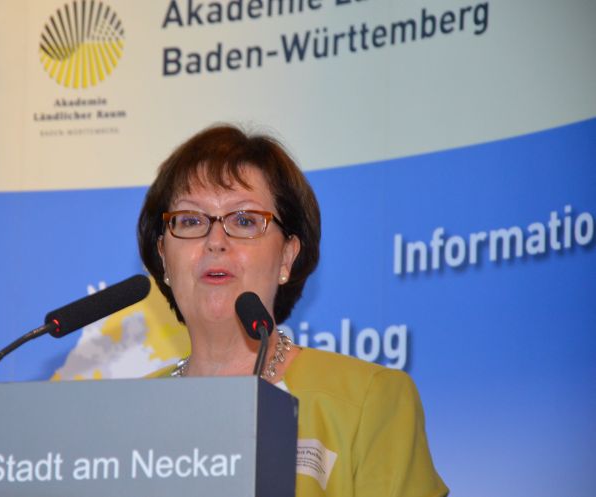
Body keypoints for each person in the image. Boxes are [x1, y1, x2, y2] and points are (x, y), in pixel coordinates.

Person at [139, 124, 448, 497]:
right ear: (163, 256)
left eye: (244, 220)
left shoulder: (369, 401)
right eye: (190, 220)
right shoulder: (126, 415)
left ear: (287, 255)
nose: (215, 241)